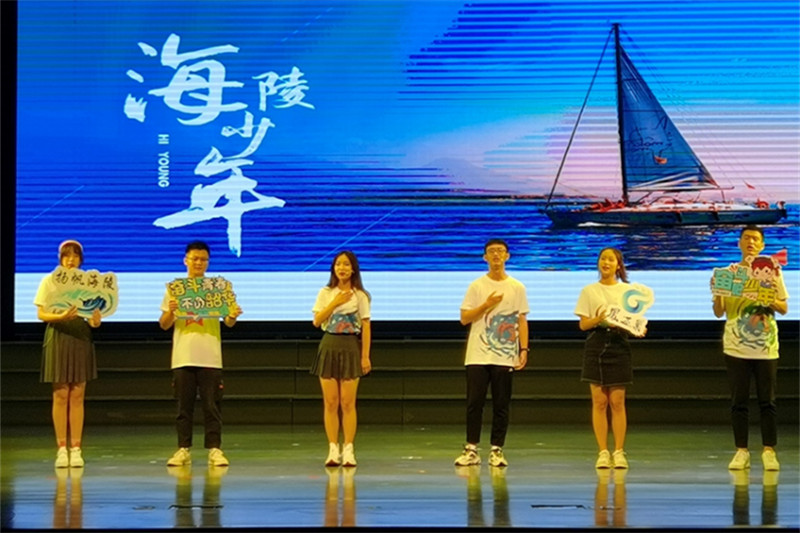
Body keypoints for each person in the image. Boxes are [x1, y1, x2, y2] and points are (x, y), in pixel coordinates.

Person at [159, 241, 242, 467]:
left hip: (210, 356)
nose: (199, 263)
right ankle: (183, 449)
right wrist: (172, 311)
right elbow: (164, 324)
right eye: (194, 258)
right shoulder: (176, 289)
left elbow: (229, 321)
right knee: (183, 407)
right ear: (185, 260)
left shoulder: (217, 288)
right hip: (183, 356)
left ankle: (215, 449)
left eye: (203, 259)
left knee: (212, 406)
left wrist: (233, 315)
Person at [712, 226, 788, 471]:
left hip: (766, 347)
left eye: (756, 239)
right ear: (739, 243)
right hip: (735, 347)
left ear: (762, 245)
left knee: (768, 402)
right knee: (739, 402)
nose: (751, 242)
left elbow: (784, 308)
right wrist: (717, 293)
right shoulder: (728, 273)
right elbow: (718, 312)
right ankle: (741, 451)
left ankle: (769, 451)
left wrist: (765, 297)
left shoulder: (772, 271)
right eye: (746, 238)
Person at [454, 239, 529, 468]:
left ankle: (497, 449)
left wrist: (523, 349)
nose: (496, 255)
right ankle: (471, 449)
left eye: (500, 251)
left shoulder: (517, 287)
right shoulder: (477, 286)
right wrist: (486, 305)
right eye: (491, 252)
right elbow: (464, 318)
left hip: (505, 354)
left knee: (501, 403)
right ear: (484, 257)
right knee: (474, 402)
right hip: (477, 354)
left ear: (507, 256)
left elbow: (522, 320)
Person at [574, 247, 645, 470]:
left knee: (617, 401)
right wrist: (599, 319)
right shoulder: (589, 291)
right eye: (603, 259)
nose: (606, 263)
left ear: (618, 265)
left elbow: (635, 321)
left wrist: (638, 329)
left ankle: (619, 452)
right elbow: (583, 324)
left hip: (619, 344)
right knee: (599, 401)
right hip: (596, 343)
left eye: (611, 259)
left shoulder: (629, 291)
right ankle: (603, 452)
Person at [34, 240, 102, 468]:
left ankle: (76, 448)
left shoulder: (89, 283)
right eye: (66, 255)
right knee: (61, 393)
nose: (70, 260)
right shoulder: (50, 281)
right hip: (58, 335)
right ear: (60, 258)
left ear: (81, 259)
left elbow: (94, 318)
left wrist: (96, 320)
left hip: (80, 336)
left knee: (78, 394)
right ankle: (62, 448)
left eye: (75, 256)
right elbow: (41, 314)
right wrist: (60, 317)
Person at [311, 251, 372, 467]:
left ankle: (348, 448)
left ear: (353, 269)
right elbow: (317, 321)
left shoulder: (360, 295)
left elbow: (366, 326)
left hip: (350, 347)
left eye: (346, 264)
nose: (342, 268)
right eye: (338, 264)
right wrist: (335, 302)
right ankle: (332, 449)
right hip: (329, 345)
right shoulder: (326, 292)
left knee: (347, 402)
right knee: (330, 402)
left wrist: (365, 356)